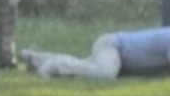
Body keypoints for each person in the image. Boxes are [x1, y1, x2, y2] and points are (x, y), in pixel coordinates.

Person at [20, 26, 170, 79]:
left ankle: (36, 58)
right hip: (113, 46)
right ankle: (54, 65)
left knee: (85, 65)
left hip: (115, 51)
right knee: (105, 73)